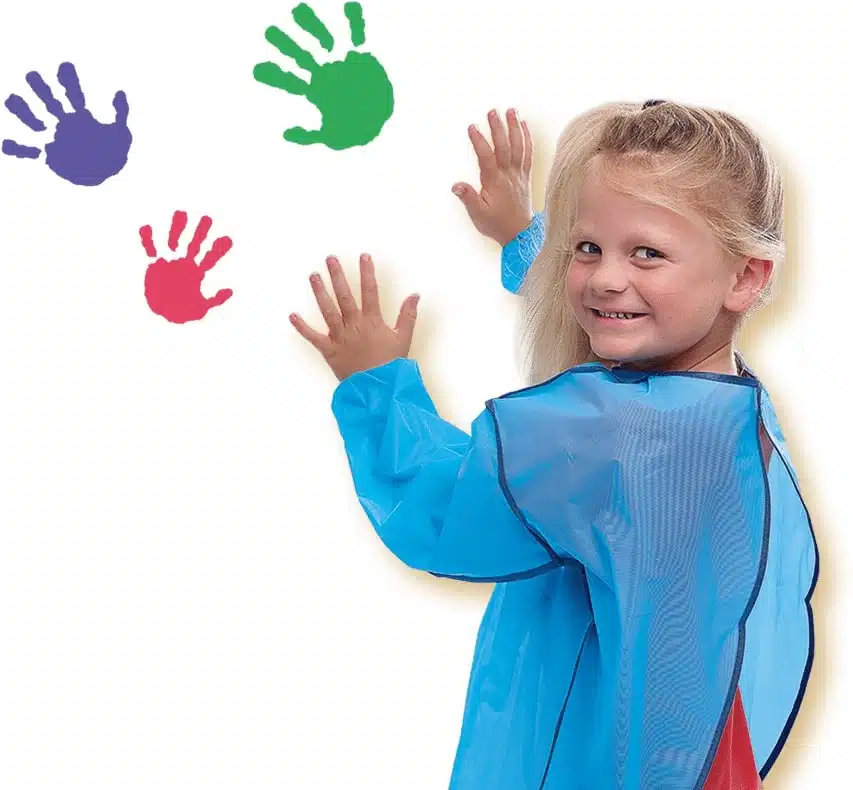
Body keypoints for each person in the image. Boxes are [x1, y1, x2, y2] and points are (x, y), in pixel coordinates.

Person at [288, 99, 818, 790]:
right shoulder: (729, 406)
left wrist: (374, 385)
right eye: (585, 246)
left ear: (746, 277)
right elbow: (622, 307)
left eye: (647, 253)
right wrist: (524, 238)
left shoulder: (617, 433)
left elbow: (443, 510)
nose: (604, 277)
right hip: (707, 745)